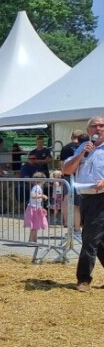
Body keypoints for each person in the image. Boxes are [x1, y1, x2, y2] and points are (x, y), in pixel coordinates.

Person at [61, 117, 104, 292]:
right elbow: (66, 170)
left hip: (101, 198)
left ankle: (83, 279)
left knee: (89, 239)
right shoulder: (82, 147)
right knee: (99, 241)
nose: (98, 128)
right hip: (85, 198)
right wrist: (80, 154)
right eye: (94, 126)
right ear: (88, 130)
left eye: (102, 126)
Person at [59, 130, 84, 237]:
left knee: (66, 201)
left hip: (68, 177)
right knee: (76, 205)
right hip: (79, 177)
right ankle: (77, 229)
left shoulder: (65, 148)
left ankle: (68, 226)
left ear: (71, 136)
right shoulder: (83, 148)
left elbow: (62, 166)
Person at [25, 172, 49, 243]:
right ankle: (31, 240)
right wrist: (42, 196)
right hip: (33, 208)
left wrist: (41, 208)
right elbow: (33, 195)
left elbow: (37, 201)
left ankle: (34, 240)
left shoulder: (38, 188)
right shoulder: (36, 188)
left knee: (36, 225)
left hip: (36, 208)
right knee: (34, 226)